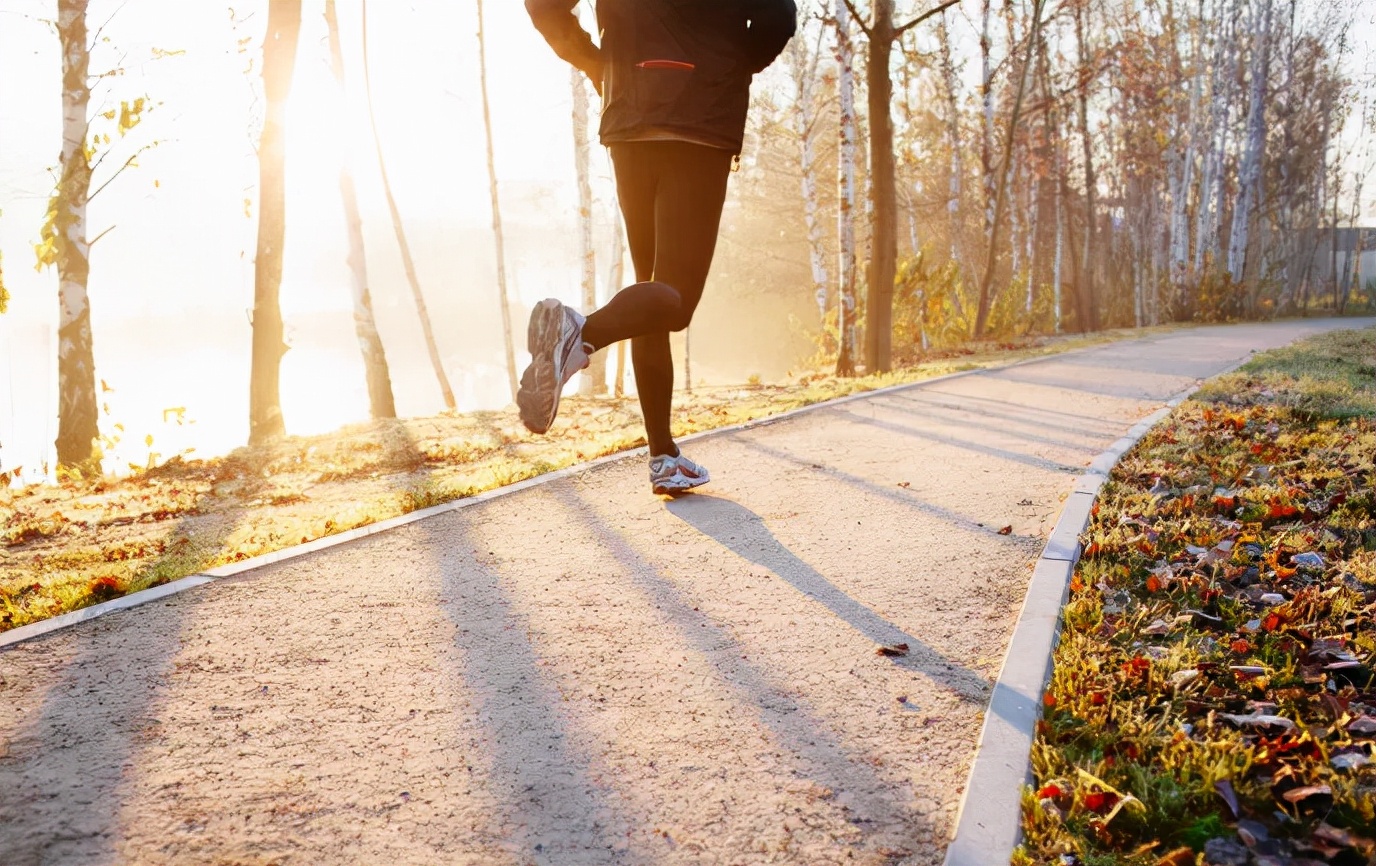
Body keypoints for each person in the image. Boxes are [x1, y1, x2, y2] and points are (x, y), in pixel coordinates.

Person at [522, 0, 797, 495]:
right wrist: (727, 67)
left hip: (629, 123)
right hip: (700, 124)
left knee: (650, 290)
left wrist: (599, 65)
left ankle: (663, 456)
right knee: (674, 299)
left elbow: (544, 6)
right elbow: (778, 18)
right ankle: (580, 333)